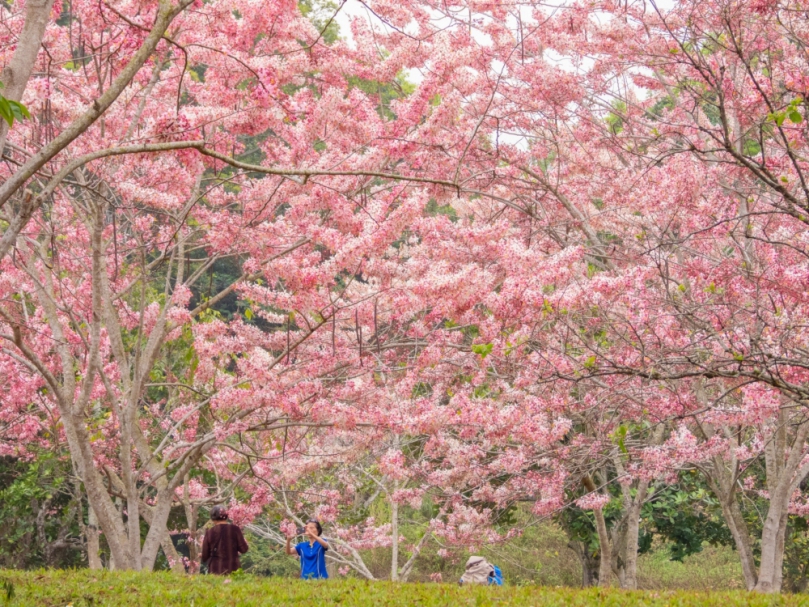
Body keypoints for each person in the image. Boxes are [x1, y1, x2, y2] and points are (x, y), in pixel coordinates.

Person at [200, 506, 249, 575]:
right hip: (233, 569)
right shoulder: (235, 529)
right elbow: (244, 549)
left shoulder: (209, 532)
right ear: (226, 516)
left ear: (213, 518)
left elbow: (205, 556)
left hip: (215, 570)